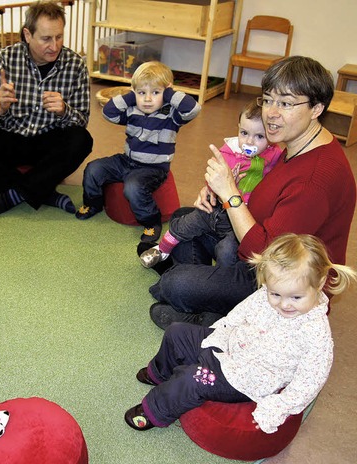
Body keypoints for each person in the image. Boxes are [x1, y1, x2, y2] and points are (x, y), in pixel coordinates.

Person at [146, 56, 356, 329]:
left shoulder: (315, 179)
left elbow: (266, 254)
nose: (271, 112)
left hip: (282, 280)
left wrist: (230, 194)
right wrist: (219, 188)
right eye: (267, 99)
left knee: (174, 283)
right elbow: (264, 192)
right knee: (186, 217)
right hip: (256, 238)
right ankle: (216, 309)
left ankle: (215, 319)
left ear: (316, 108)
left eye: (286, 103)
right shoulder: (297, 141)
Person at [125, 233, 356, 433]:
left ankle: (154, 411)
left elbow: (311, 380)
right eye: (275, 294)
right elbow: (241, 312)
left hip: (244, 378)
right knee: (176, 332)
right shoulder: (269, 292)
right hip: (230, 344)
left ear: (320, 283)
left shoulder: (316, 334)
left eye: (296, 297)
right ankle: (159, 373)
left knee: (192, 378)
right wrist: (218, 331)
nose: (284, 304)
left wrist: (280, 406)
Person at [0, 0, 93, 221]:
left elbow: (82, 120)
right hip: (11, 138)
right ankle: (42, 192)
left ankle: (10, 197)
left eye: (59, 37)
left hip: (48, 141)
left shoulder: (76, 65)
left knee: (82, 139)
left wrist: (64, 111)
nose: (54, 46)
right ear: (27, 34)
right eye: (46, 38)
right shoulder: (4, 59)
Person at [140, 99, 282, 267]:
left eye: (259, 136)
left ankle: (219, 277)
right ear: (238, 127)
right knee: (184, 222)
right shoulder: (228, 151)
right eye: (244, 133)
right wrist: (217, 186)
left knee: (228, 249)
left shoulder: (274, 156)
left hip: (241, 218)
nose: (249, 142)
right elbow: (212, 180)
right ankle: (162, 250)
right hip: (216, 208)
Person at [75, 61, 201, 243]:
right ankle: (93, 204)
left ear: (166, 92)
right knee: (93, 169)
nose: (148, 99)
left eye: (155, 93)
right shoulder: (133, 110)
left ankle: (151, 221)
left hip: (153, 168)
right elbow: (108, 113)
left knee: (133, 188)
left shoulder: (172, 114)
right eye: (142, 93)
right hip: (127, 161)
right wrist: (131, 97)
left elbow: (193, 109)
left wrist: (169, 94)